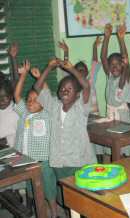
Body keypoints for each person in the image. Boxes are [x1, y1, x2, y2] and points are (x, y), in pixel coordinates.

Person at [34, 58, 97, 218]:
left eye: (69, 88)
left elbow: (87, 86)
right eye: (62, 88)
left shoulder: (81, 108)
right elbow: (37, 87)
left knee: (82, 196)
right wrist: (48, 67)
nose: (65, 90)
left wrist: (72, 70)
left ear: (77, 95)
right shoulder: (54, 105)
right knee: (68, 197)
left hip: (78, 161)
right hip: (59, 162)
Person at [13, 60, 54, 215]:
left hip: (43, 162)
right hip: (27, 161)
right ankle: (38, 210)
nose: (30, 102)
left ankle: (54, 211)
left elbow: (48, 96)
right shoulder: (25, 113)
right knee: (32, 190)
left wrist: (39, 79)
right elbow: (16, 95)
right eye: (29, 99)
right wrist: (23, 75)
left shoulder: (46, 114)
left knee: (49, 189)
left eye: (35, 100)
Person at [100, 23, 130, 157]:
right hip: (110, 116)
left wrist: (121, 39)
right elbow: (103, 58)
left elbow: (125, 58)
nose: (114, 66)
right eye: (111, 64)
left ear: (123, 64)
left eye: (118, 63)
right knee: (110, 150)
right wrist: (107, 37)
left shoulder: (126, 76)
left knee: (126, 148)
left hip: (123, 116)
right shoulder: (109, 77)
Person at [0, 74, 18, 147]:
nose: (1, 101)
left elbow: (21, 135)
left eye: (5, 97)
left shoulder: (16, 112)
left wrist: (6, 140)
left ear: (11, 96)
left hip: (11, 150)